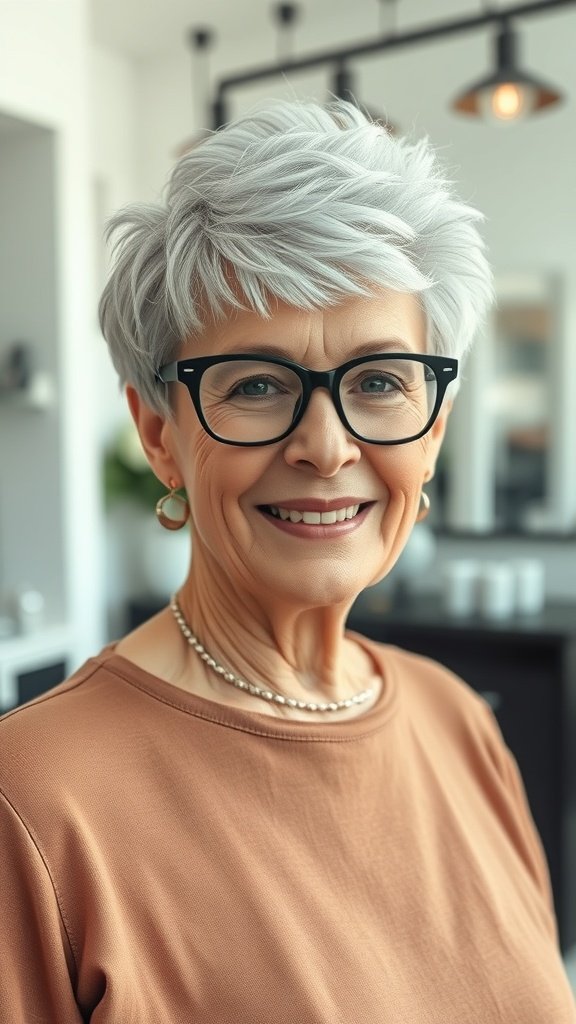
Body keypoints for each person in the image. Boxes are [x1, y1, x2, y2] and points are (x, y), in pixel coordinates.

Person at [0, 98, 574, 1024]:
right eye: (259, 385)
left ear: (433, 432)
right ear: (159, 432)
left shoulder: (459, 722)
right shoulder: (32, 802)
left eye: (381, 381)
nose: (326, 445)